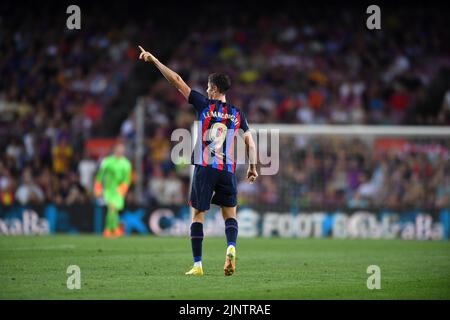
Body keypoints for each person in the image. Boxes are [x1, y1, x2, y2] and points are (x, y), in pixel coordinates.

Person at [138, 46, 258, 276]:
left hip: (205, 167)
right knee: (230, 215)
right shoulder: (238, 114)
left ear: (213, 89)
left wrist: (154, 60)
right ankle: (230, 248)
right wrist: (252, 168)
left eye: (207, 86)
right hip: (227, 170)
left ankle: (198, 265)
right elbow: (250, 144)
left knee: (198, 215)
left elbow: (176, 80)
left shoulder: (204, 104)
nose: (205, 89)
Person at [94, 142, 132, 238]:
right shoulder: (107, 161)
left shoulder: (126, 163)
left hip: (119, 191)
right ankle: (111, 229)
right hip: (108, 190)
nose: (120, 151)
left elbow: (127, 179)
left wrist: (123, 189)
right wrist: (98, 187)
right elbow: (100, 175)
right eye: (119, 149)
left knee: (113, 210)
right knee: (112, 208)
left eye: (122, 150)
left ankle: (111, 228)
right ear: (114, 150)